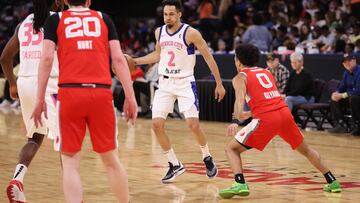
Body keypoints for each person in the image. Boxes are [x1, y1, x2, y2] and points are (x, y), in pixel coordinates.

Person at [31, 0, 137, 202]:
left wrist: (39, 98)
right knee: (111, 160)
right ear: (88, 1)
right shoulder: (103, 18)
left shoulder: (55, 20)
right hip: (101, 94)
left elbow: (46, 59)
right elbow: (119, 59)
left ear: (64, 1)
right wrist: (130, 97)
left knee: (70, 161)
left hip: (70, 94)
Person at [218, 44, 341, 199]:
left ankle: (240, 183)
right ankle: (332, 180)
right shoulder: (266, 72)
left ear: (238, 61)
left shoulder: (240, 77)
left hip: (266, 119)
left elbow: (240, 99)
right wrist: (249, 113)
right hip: (284, 115)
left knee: (231, 149)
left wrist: (235, 119)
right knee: (306, 150)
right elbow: (270, 99)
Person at [132, 0, 226, 183]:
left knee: (193, 125)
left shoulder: (191, 33)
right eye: (165, 14)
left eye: (171, 14)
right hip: (165, 83)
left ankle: (207, 156)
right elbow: (157, 56)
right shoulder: (159, 32)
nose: (168, 17)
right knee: (156, 125)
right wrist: (135, 61)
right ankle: (174, 164)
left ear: (180, 14)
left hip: (185, 83)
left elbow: (208, 57)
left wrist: (219, 83)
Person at [0, 0, 63, 202]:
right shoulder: (61, 20)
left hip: (25, 83)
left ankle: (17, 180)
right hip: (49, 83)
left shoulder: (24, 22)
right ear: (56, 2)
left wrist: (11, 84)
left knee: (34, 138)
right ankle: (74, 194)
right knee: (67, 142)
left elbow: (4, 57)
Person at [328, 54, 360, 135]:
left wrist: (342, 95)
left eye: (348, 61)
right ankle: (341, 124)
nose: (347, 64)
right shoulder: (346, 73)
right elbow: (341, 87)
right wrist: (336, 93)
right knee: (334, 98)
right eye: (344, 63)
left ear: (354, 61)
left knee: (353, 98)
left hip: (357, 97)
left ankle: (357, 125)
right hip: (350, 96)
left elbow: (358, 90)